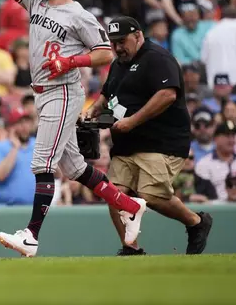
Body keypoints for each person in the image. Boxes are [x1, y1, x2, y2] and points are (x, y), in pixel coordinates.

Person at [0, 0, 146, 258]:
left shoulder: (80, 15)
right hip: (42, 91)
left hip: (62, 90)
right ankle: (130, 204)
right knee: (75, 168)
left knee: (42, 161)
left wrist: (70, 62)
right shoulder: (37, 2)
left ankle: (31, 235)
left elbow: (104, 51)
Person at [85, 15, 213, 256]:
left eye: (122, 41)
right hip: (126, 144)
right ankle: (131, 248)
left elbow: (167, 95)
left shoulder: (157, 58)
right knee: (114, 194)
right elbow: (106, 95)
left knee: (151, 195)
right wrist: (94, 108)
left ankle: (196, 222)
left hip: (161, 142)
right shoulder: (117, 64)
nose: (118, 47)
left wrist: (132, 121)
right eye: (114, 43)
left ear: (138, 35)